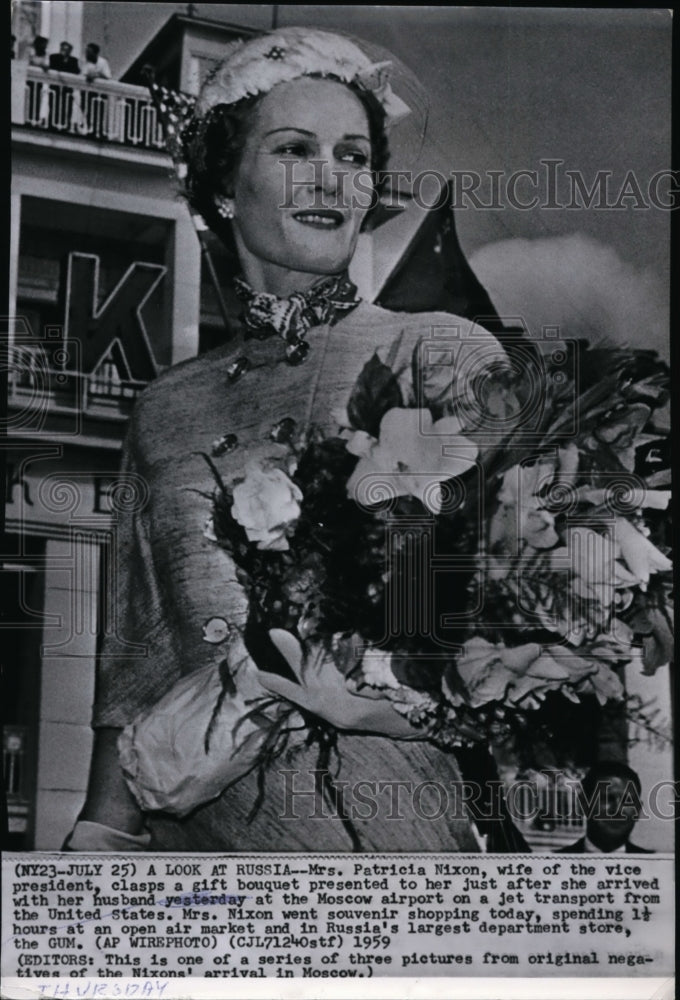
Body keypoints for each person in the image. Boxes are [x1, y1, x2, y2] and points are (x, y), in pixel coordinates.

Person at [67, 28, 509, 853]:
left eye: (351, 155)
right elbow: (132, 663)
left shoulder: (439, 354)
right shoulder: (163, 409)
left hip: (395, 852)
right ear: (224, 189)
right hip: (206, 871)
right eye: (295, 149)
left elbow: (499, 622)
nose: (329, 178)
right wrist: (98, 842)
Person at [556, 762, 654, 854]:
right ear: (584, 805)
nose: (618, 810)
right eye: (607, 799)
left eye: (628, 801)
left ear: (637, 810)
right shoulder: (553, 862)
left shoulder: (655, 865)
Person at [48, 42, 80, 130]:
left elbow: (76, 72)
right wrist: (62, 59)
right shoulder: (54, 57)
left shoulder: (74, 60)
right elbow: (52, 67)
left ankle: (65, 125)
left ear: (70, 51)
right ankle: (52, 124)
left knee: (67, 107)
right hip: (55, 87)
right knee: (53, 105)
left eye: (67, 50)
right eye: (63, 49)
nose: (64, 51)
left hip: (67, 88)